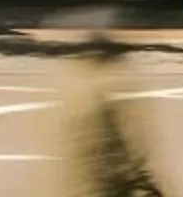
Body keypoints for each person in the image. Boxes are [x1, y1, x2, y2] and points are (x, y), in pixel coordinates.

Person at [60, 27, 165, 197]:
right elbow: (126, 147)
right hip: (111, 182)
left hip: (100, 182)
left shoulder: (82, 93)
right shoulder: (107, 94)